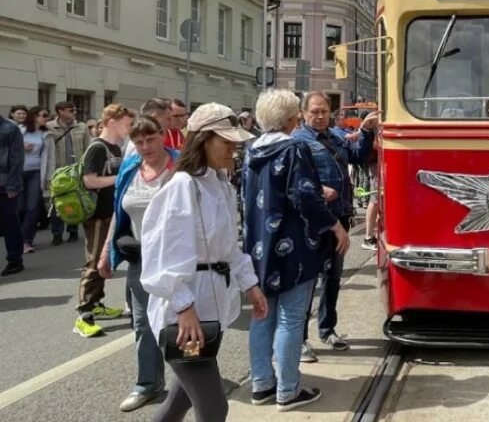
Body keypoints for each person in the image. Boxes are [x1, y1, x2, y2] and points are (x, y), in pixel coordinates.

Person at [140, 103, 267, 422]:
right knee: (213, 407)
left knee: (178, 402)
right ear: (203, 140)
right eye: (227, 142)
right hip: (185, 318)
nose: (234, 149)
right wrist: (183, 307)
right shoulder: (184, 186)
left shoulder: (219, 184)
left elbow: (227, 248)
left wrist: (249, 284)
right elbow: (162, 255)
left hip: (208, 311)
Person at [244, 90, 350, 411]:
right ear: (292, 118)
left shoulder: (252, 150)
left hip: (260, 246)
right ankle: (288, 390)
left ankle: (261, 383)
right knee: (291, 318)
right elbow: (305, 196)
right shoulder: (295, 148)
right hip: (293, 247)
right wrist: (335, 225)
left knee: (262, 316)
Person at [95, 116, 177, 411]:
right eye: (138, 141)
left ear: (162, 135)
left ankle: (195, 383)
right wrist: (106, 253)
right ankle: (149, 385)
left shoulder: (179, 167)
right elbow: (120, 214)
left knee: (180, 324)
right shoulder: (131, 169)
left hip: (175, 259)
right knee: (143, 324)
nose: (145, 146)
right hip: (140, 259)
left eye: (150, 139)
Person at [291, 91, 378, 357]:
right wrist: (318, 191)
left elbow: (356, 156)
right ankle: (300, 339)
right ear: (303, 114)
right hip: (313, 221)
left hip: (339, 216)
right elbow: (297, 183)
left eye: (324, 111)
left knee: (332, 277)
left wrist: (365, 131)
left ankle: (327, 330)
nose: (319, 116)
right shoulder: (298, 141)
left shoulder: (335, 136)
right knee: (306, 282)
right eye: (314, 112)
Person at [74, 104, 134, 338]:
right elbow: (90, 181)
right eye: (127, 124)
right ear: (112, 123)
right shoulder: (97, 148)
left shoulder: (116, 147)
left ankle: (96, 304)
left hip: (110, 210)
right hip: (97, 213)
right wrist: (121, 177)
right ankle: (83, 315)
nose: (129, 129)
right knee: (93, 263)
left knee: (103, 259)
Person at [45, 100, 90, 245]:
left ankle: (73, 231)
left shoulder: (82, 127)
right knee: (56, 202)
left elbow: (88, 149)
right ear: (60, 111)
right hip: (58, 171)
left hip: (75, 171)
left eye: (75, 110)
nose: (74, 112)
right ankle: (56, 233)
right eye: (71, 110)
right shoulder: (49, 127)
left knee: (74, 200)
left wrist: (86, 168)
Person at [19, 106, 50, 254]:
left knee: (32, 207)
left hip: (36, 172)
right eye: (44, 115)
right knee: (20, 207)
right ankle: (17, 238)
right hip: (18, 172)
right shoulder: (20, 130)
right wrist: (21, 147)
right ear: (34, 116)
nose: (46, 118)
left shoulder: (46, 133)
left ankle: (26, 241)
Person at [0, 112, 25, 276]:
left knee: (10, 222)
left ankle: (15, 259)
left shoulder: (10, 128)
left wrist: (12, 185)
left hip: (5, 184)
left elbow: (17, 158)